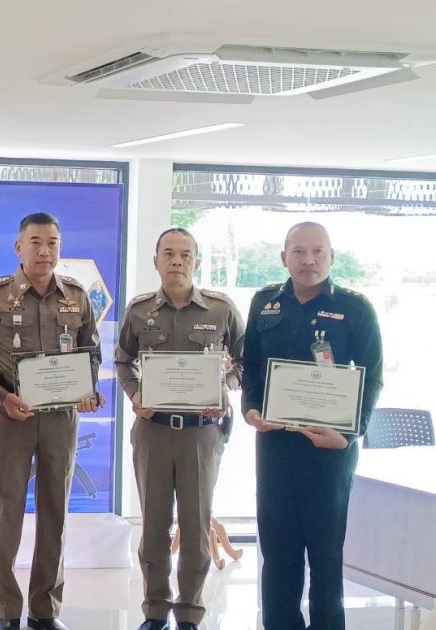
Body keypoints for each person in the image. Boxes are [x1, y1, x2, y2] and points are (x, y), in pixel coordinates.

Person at [242, 222, 383, 630]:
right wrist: (251, 410)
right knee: (278, 554)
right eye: (299, 251)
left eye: (318, 251)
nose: (309, 260)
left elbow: (372, 377)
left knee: (326, 557)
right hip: (276, 447)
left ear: (331, 256)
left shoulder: (356, 308)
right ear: (283, 257)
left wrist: (351, 434)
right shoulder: (264, 302)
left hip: (330, 451)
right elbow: (251, 368)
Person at [0, 211, 102, 630]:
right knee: (5, 513)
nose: (45, 251)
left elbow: (91, 351)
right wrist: (1, 398)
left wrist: (88, 390)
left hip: (61, 418)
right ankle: (7, 611)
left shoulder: (76, 295)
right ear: (19, 247)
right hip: (11, 417)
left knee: (55, 512)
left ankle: (45, 610)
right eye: (36, 242)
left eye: (53, 243)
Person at [114, 227, 245, 630]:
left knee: (195, 523)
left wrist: (225, 386)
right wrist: (134, 393)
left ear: (197, 262)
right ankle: (155, 609)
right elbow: (123, 360)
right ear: (155, 261)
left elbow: (246, 362)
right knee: (154, 525)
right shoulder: (139, 310)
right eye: (168, 254)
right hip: (152, 430)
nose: (177, 261)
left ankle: (189, 612)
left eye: (186, 255)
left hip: (201, 433)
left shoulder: (221, 310)